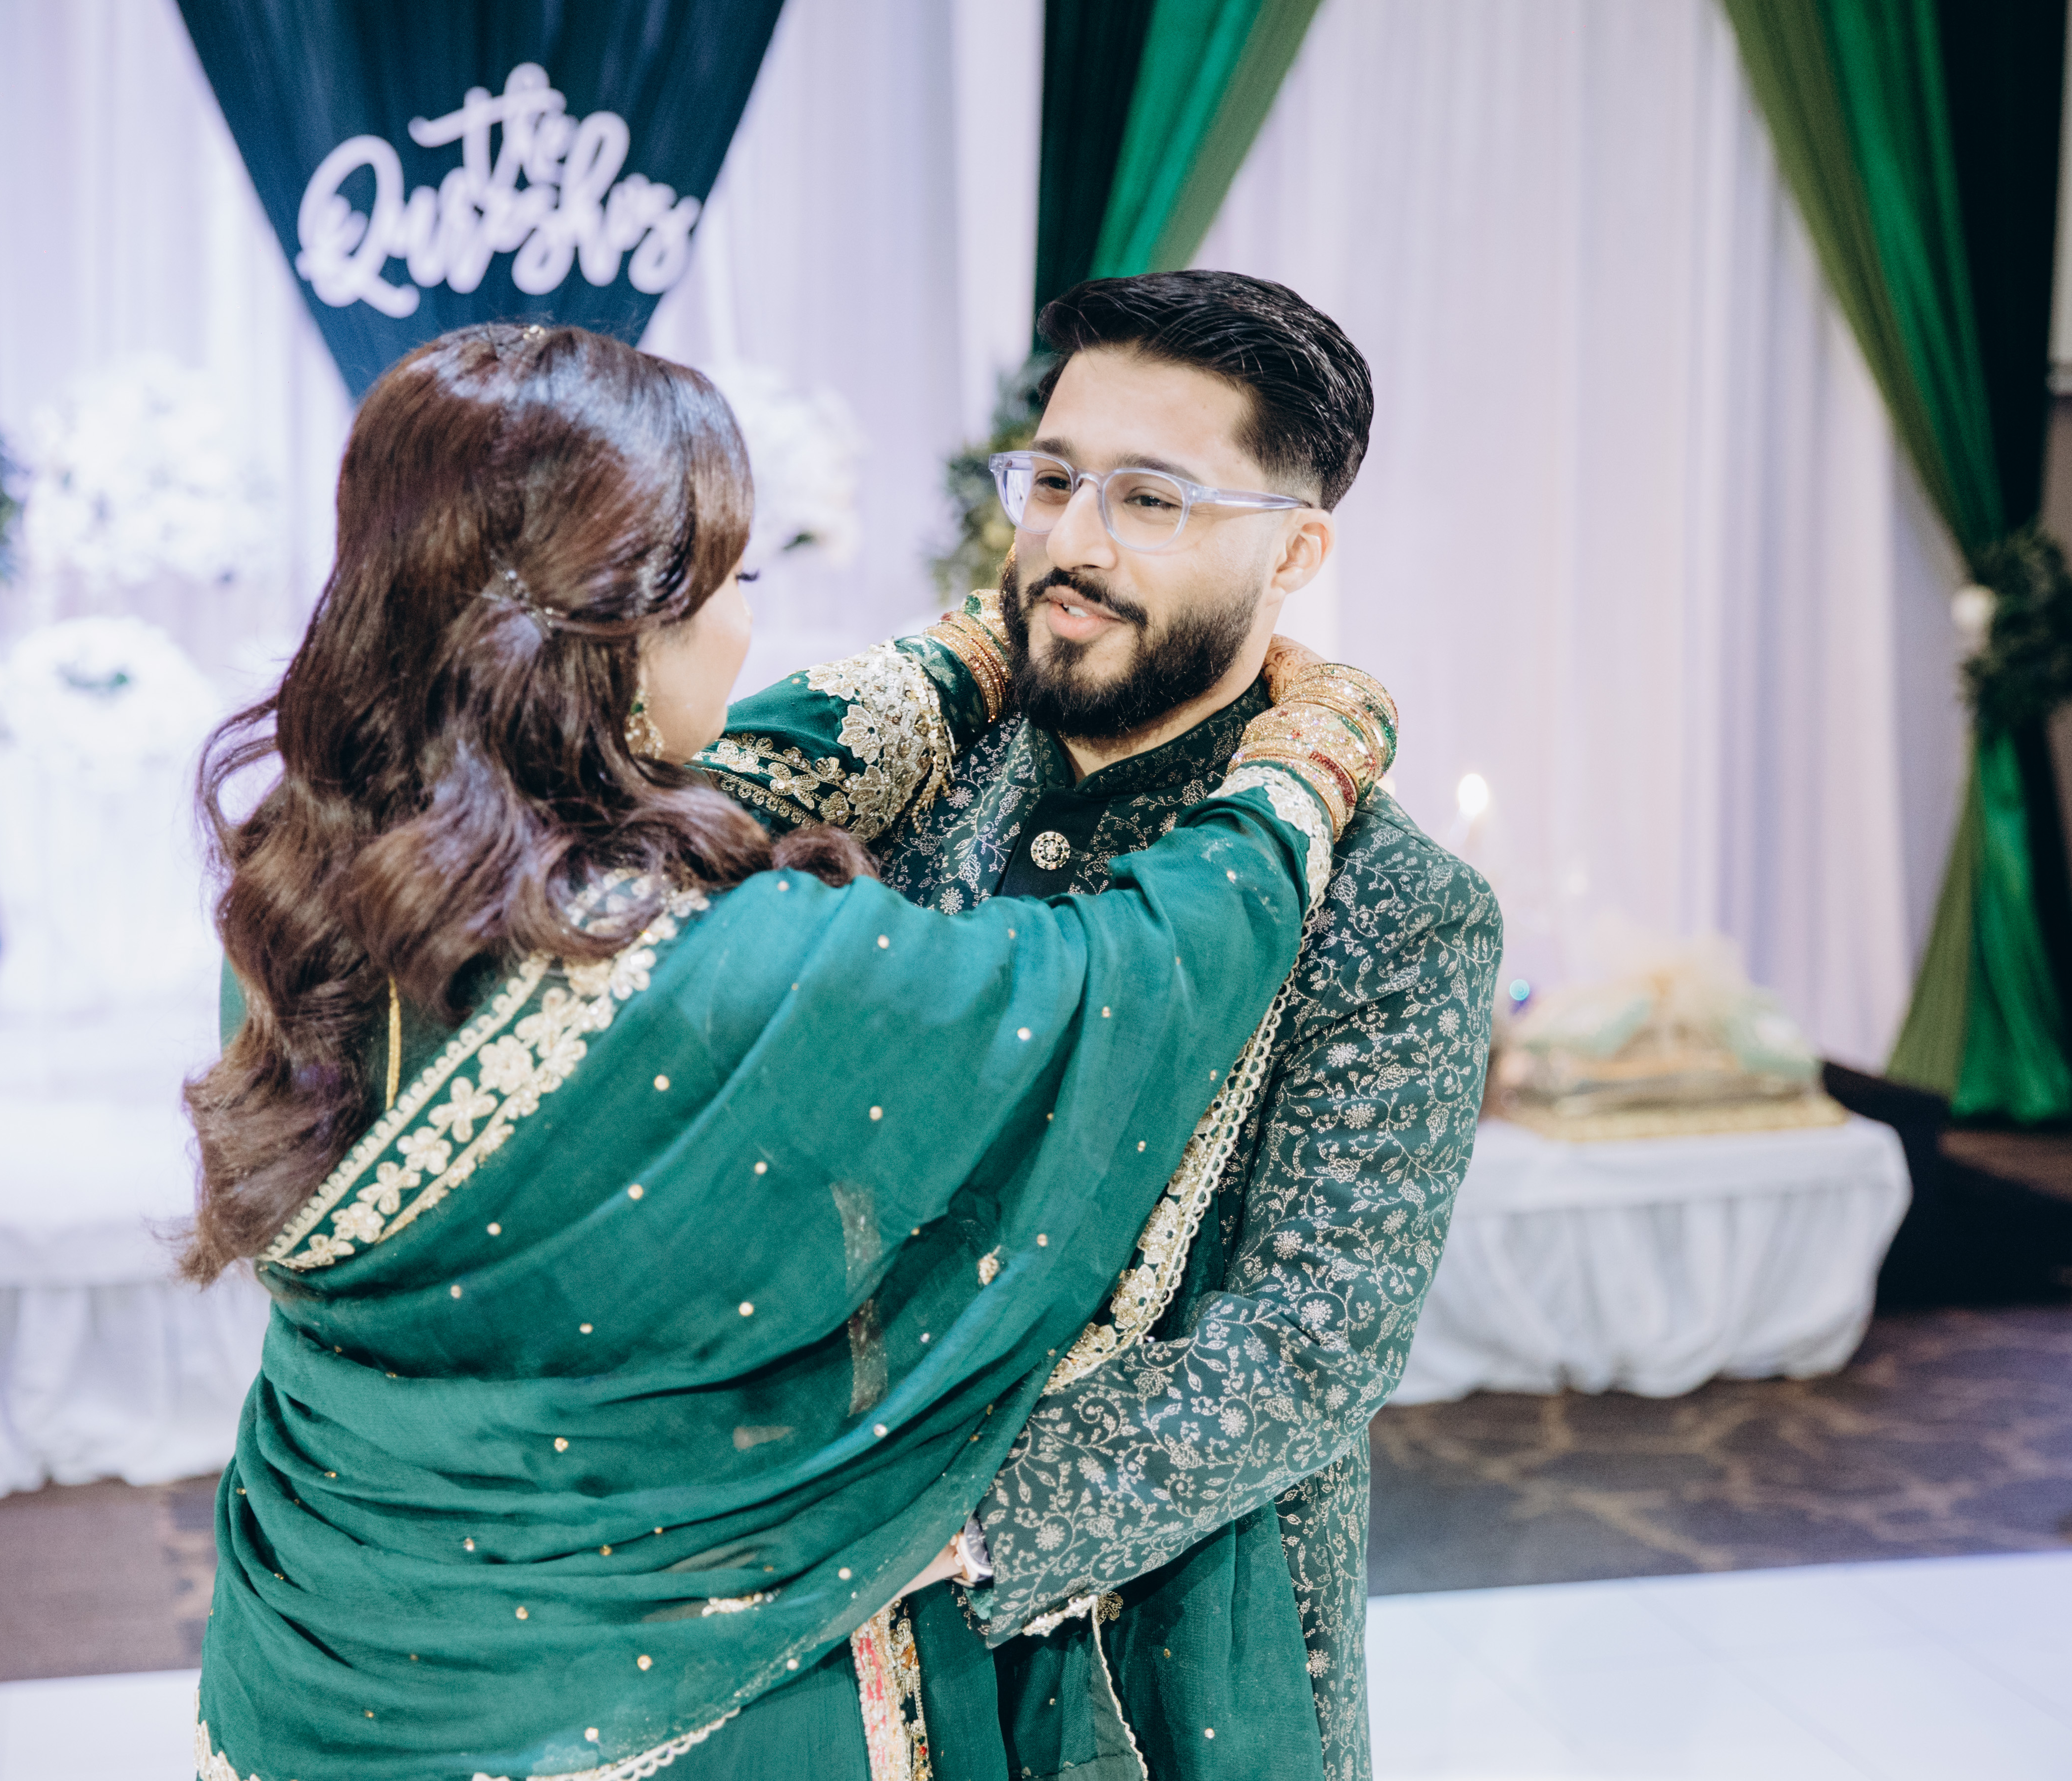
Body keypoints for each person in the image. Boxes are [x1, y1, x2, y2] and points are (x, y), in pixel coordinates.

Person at [182, 320, 1401, 1781]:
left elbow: (1314, 1331)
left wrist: (971, 644)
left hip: (322, 1649)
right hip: (659, 1696)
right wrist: (1305, 763)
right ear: (617, 640)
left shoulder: (312, 878)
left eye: (1144, 498)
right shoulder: (728, 971)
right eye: (735, 584)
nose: (751, 629)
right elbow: (1121, 979)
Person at [704, 271, 1503, 1781]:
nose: (1072, 541)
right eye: (1055, 479)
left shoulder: (1385, 902)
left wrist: (914, 1522)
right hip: (793, 1602)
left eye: (1150, 499)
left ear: (1294, 549)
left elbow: (1309, 1341)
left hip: (1162, 1634)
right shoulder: (903, 777)